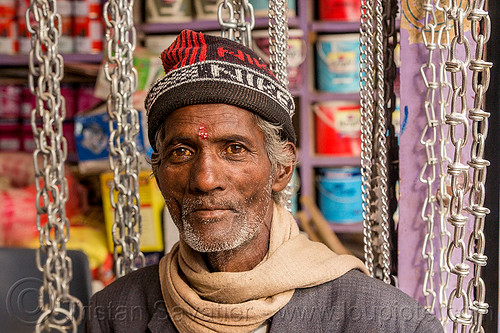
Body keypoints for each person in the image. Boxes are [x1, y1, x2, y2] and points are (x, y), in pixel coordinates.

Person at [85, 29, 443, 333]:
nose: (206, 179)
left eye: (235, 149)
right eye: (181, 152)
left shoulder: (384, 321)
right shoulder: (113, 316)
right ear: (158, 170)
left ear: (282, 168)